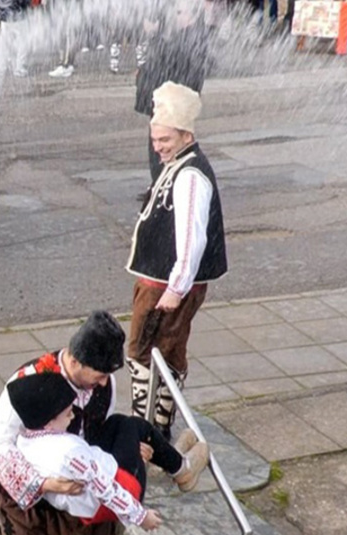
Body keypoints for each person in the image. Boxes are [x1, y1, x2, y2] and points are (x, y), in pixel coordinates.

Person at [0, 311, 207, 535]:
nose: (105, 382)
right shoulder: (27, 383)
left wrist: (130, 453)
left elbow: (94, 439)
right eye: (100, 374)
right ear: (76, 359)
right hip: (25, 506)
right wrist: (46, 484)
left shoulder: (105, 386)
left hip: (78, 496)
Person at [125, 82, 227, 436]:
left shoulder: (191, 174)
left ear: (186, 135)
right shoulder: (180, 162)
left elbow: (192, 235)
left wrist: (177, 287)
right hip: (159, 282)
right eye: (154, 140)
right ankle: (150, 425)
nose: (158, 148)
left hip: (167, 287)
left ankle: (153, 429)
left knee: (153, 352)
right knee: (150, 351)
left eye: (164, 141)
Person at [9, 371, 162, 530]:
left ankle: (177, 467)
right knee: (132, 425)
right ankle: (178, 467)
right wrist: (140, 516)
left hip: (84, 503)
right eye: (68, 414)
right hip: (124, 485)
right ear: (48, 423)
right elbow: (104, 488)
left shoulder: (22, 441)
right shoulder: (69, 452)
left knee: (119, 424)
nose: (73, 417)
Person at [134, 0, 206, 182]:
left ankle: (164, 182)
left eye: (182, 13)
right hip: (165, 98)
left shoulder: (192, 36)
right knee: (159, 142)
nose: (177, 17)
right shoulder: (179, 34)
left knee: (166, 143)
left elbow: (178, 66)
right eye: (177, 12)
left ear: (194, 15)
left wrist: (153, 35)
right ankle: (160, 182)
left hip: (173, 102)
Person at [0, 0, 30, 78]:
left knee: (4, 41)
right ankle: (20, 67)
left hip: (3, 13)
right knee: (22, 40)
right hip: (17, 13)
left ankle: (1, 67)